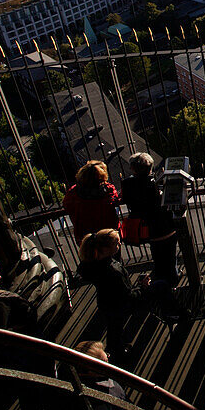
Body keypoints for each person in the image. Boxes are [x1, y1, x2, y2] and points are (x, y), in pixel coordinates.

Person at [78, 229, 143, 363]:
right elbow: (128, 295)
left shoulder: (91, 264)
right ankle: (118, 354)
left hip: (105, 302)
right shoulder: (113, 270)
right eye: (117, 243)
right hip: (118, 304)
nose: (119, 245)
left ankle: (115, 350)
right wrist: (142, 288)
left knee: (113, 327)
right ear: (106, 248)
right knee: (116, 328)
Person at [121, 153, 177, 285]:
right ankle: (172, 280)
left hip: (147, 229)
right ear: (150, 167)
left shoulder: (128, 184)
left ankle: (161, 281)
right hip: (167, 226)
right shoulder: (157, 183)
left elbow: (127, 200)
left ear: (133, 169)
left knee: (157, 256)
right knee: (170, 256)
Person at [74, 340, 135, 410]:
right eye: (104, 364)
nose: (109, 365)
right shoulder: (100, 401)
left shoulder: (84, 379)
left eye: (107, 356)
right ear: (91, 371)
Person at [64, 161, 121, 245]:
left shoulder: (74, 192)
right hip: (108, 232)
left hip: (85, 234)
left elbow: (67, 205)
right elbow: (115, 199)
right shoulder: (108, 189)